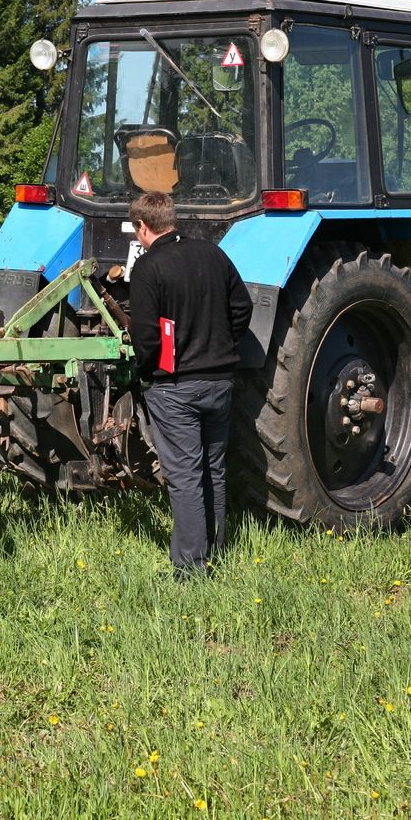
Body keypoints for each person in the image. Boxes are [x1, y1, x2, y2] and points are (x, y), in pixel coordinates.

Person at [126, 191, 253, 577]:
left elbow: (145, 335)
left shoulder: (149, 268)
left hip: (175, 387)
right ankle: (215, 548)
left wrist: (148, 371)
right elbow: (242, 307)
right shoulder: (212, 254)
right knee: (212, 468)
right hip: (220, 381)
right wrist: (222, 347)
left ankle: (192, 568)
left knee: (184, 477)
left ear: (143, 227)